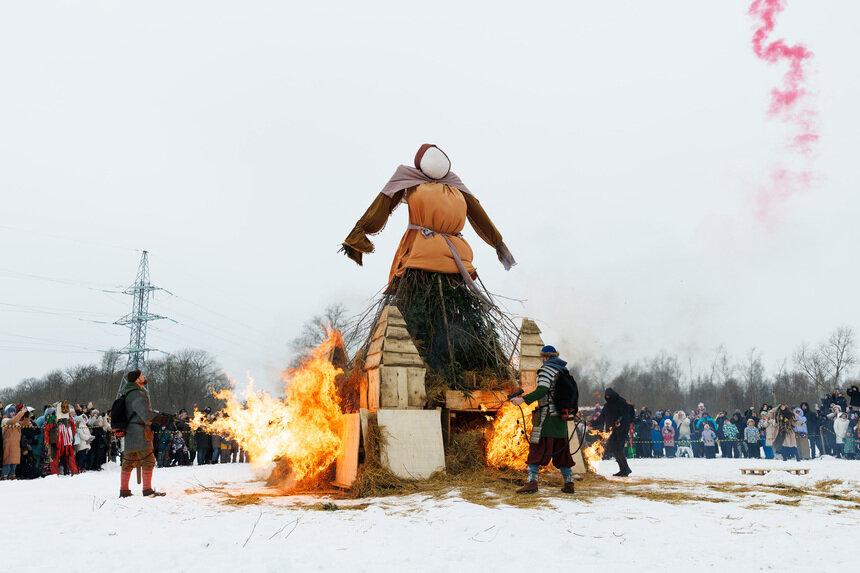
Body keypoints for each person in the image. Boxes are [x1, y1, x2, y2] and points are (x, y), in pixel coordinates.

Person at [510, 345, 576, 494]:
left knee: (536, 450)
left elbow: (542, 390)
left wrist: (523, 399)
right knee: (562, 452)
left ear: (545, 357)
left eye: (542, 357)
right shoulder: (563, 370)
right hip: (560, 418)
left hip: (547, 417)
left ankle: (532, 482)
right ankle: (569, 483)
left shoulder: (546, 369)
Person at [118, 369, 171, 497]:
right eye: (142, 375)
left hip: (131, 433)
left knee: (129, 461)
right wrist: (164, 419)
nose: (144, 376)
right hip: (139, 432)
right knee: (149, 460)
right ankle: (147, 490)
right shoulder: (137, 394)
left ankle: (124, 491)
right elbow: (146, 415)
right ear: (137, 380)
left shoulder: (127, 393)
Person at [589, 388, 633, 477]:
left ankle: (626, 469)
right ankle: (623, 469)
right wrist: (591, 423)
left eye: (609, 396)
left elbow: (626, 415)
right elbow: (602, 418)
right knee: (614, 449)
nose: (608, 398)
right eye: (606, 397)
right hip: (612, 430)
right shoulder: (607, 406)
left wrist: (620, 421)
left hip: (621, 429)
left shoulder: (621, 402)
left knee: (619, 448)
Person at [1, 404, 28, 480]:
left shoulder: (16, 421)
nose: (13, 413)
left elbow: (23, 424)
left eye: (14, 412)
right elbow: (13, 421)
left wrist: (26, 416)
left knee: (15, 460)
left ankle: (12, 474)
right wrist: (21, 413)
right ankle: (4, 475)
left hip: (16, 444)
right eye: (11, 411)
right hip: (8, 443)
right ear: (7, 412)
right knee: (8, 459)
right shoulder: (5, 420)